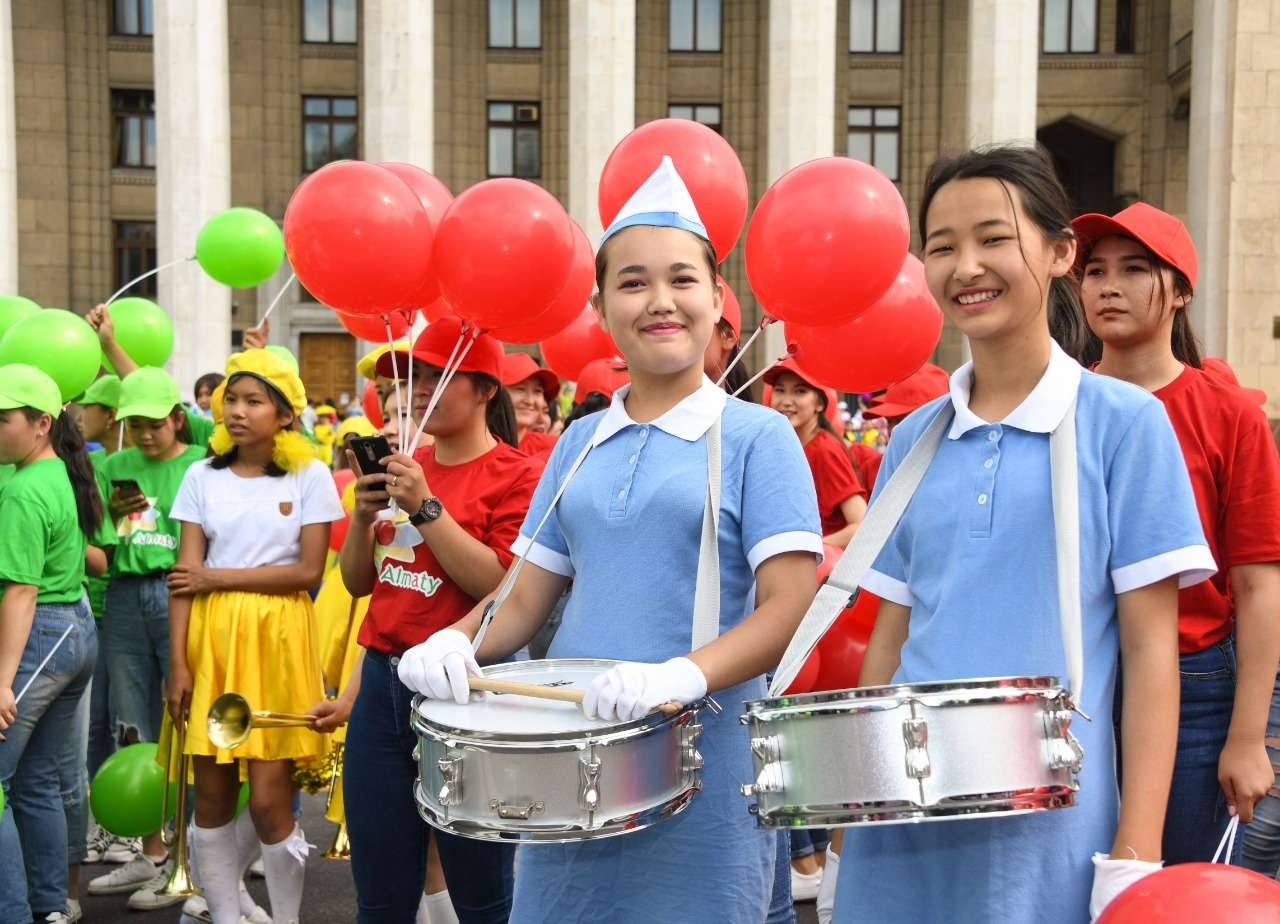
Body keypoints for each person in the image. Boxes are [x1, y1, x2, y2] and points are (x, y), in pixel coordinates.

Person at [396, 156, 822, 923]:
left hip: (702, 759)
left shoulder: (758, 436)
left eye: (682, 279)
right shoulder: (581, 439)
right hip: (574, 760)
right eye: (633, 282)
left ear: (717, 299)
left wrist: (683, 676)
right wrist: (457, 640)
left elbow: (788, 605)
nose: (661, 301)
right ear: (601, 306)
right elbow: (524, 593)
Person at [830, 145, 1215, 924]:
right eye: (942, 246)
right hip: (906, 818)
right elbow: (892, 635)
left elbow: (1149, 653)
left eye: (993, 238)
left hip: (1050, 827)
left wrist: (1137, 840)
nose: (966, 265)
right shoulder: (914, 441)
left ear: (1060, 251)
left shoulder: (1124, 426)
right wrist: (856, 796)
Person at [1075, 202, 1280, 865]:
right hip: (1076, 685)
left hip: (1196, 691)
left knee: (1183, 888)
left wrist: (1249, 737)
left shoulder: (1228, 417)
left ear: (1181, 292)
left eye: (1134, 270)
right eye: (1094, 270)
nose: (1108, 286)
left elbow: (1256, 584)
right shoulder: (1055, 410)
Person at [316, 317, 534, 923]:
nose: (417, 393)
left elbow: (500, 589)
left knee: (481, 897)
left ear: (487, 389)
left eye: (439, 377)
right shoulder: (404, 464)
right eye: (411, 380)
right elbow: (360, 583)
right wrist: (362, 519)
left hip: (468, 693)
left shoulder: (518, 473)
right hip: (382, 689)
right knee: (381, 898)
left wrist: (425, 507)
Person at [167, 348, 343, 924]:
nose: (236, 412)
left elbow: (308, 572)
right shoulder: (200, 475)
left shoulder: (311, 474)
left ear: (286, 414)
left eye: (253, 401)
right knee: (212, 796)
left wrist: (216, 575)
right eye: (230, 401)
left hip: (279, 639)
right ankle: (223, 914)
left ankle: (286, 918)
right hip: (211, 641)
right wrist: (179, 665)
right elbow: (182, 581)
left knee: (270, 801)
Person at [85, 367, 209, 911]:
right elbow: (126, 530)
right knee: (132, 720)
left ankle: (194, 851)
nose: (145, 432)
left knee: (187, 715)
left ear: (177, 418)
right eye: (134, 422)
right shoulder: (115, 465)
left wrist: (115, 346)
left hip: (181, 590)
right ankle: (152, 849)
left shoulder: (199, 463)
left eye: (155, 422)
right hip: (126, 595)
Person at [0, 364, 103, 924]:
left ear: (41, 424)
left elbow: (20, 590)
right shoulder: (56, 471)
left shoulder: (21, 489)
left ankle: (17, 912)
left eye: (2, 420)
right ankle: (48, 910)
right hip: (72, 630)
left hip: (41, 634)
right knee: (38, 780)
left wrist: (1, 682)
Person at [765, 359, 867, 549]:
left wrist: (808, 550)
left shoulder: (824, 450)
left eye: (800, 391)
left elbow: (862, 524)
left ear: (819, 403)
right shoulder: (787, 447)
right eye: (780, 390)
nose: (786, 401)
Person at [855, 364, 950, 493]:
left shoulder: (962, 471)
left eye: (902, 421)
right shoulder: (874, 470)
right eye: (889, 421)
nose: (892, 430)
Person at [500, 352, 560, 459]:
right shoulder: (475, 449)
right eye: (520, 389)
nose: (530, 401)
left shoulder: (555, 449)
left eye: (537, 391)